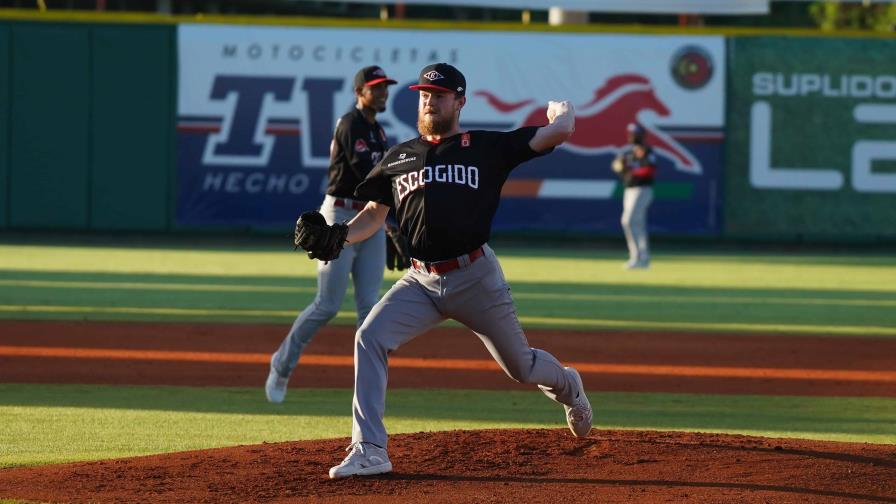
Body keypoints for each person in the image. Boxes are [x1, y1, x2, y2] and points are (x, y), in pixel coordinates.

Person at [293, 62, 593, 479]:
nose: (429, 101)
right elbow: (374, 214)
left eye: (438, 95)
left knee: (520, 367)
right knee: (370, 337)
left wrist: (560, 113)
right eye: (423, 95)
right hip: (420, 280)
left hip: (475, 277)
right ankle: (370, 448)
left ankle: (569, 386)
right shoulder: (399, 158)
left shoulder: (486, 148)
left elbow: (558, 132)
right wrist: (340, 235)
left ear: (460, 101)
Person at [265, 65, 407, 403]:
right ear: (360, 93)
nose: (383, 92)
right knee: (327, 304)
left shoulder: (379, 132)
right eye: (376, 87)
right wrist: (394, 212)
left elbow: (377, 188)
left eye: (385, 87)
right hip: (340, 212)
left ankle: (369, 388)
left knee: (369, 307)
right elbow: (366, 175)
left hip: (370, 216)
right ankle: (281, 366)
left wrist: (387, 222)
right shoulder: (350, 124)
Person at [611, 122, 657, 270]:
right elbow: (617, 167)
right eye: (631, 133)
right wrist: (620, 167)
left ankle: (637, 257)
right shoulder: (628, 153)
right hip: (629, 190)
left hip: (642, 190)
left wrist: (630, 170)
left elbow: (649, 171)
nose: (632, 136)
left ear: (641, 135)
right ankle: (643, 259)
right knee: (637, 224)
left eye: (635, 134)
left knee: (628, 221)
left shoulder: (648, 152)